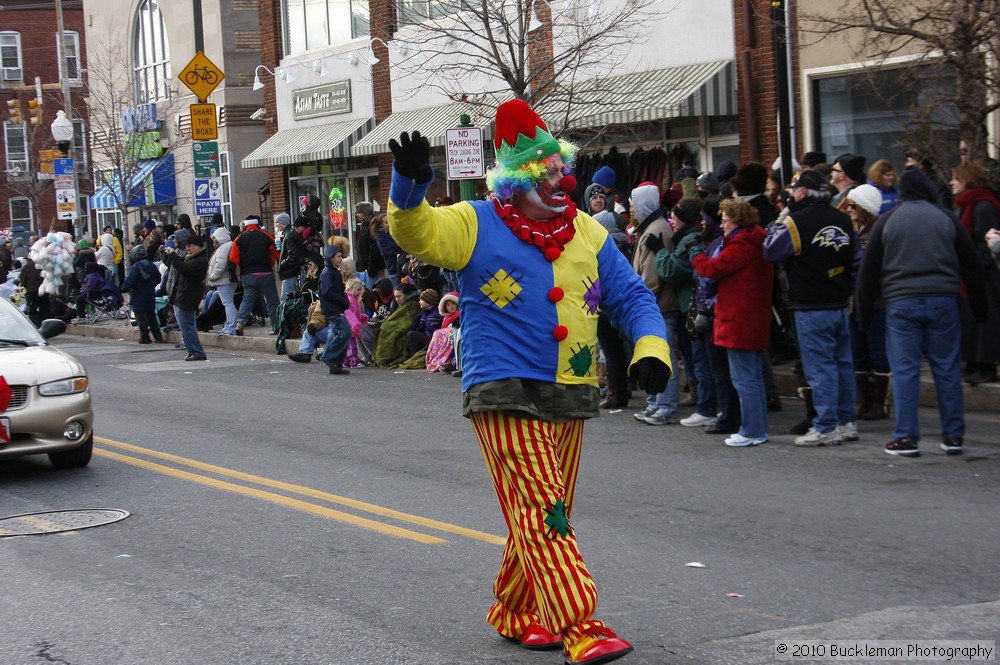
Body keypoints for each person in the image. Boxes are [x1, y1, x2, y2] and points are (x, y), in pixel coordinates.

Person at [387, 98, 670, 665]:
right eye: (542, 174)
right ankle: (579, 622)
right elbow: (417, 234)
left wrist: (650, 347)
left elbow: (633, 296)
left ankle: (513, 610)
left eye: (558, 170)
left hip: (571, 386)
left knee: (541, 506)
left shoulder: (587, 232)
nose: (558, 181)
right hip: (502, 388)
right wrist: (408, 186)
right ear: (515, 180)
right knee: (545, 506)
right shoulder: (475, 222)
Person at [857, 167, 987, 457]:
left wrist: (863, 316)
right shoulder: (945, 218)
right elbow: (971, 266)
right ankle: (953, 436)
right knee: (947, 369)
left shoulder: (888, 221)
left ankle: (905, 438)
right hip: (943, 300)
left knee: (905, 371)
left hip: (901, 303)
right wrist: (979, 310)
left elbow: (868, 274)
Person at [763, 170, 860, 446]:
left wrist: (782, 218)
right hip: (840, 302)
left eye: (794, 190)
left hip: (810, 305)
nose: (791, 194)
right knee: (842, 364)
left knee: (820, 368)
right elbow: (856, 261)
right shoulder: (842, 218)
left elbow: (770, 250)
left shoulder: (796, 222)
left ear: (803, 192)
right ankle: (846, 421)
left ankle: (826, 425)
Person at [691, 198, 773, 447]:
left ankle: (752, 430)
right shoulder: (753, 239)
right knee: (752, 378)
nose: (722, 225)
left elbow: (713, 268)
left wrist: (696, 255)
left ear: (737, 221)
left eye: (725, 221)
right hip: (750, 316)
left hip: (739, 318)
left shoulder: (742, 243)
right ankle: (756, 427)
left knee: (744, 378)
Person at [649, 197, 717, 428]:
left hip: (694, 305)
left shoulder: (691, 239)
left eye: (675, 217)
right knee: (691, 357)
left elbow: (673, 269)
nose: (672, 221)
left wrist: (660, 252)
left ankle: (707, 406)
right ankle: (700, 397)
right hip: (687, 306)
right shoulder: (687, 236)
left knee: (700, 359)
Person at [630, 181, 681, 426]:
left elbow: (651, 277)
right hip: (656, 306)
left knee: (662, 357)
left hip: (660, 307)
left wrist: (638, 301)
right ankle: (655, 402)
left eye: (633, 203)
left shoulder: (656, 230)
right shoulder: (649, 228)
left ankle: (665, 405)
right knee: (652, 354)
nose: (631, 208)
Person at [949, 162, 1000, 385]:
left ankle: (984, 364)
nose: (951, 182)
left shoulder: (982, 205)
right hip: (969, 272)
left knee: (983, 320)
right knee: (971, 320)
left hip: (982, 274)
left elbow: (983, 242)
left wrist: (973, 266)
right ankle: (973, 362)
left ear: (968, 180)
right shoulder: (964, 205)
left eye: (956, 179)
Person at [845, 184, 891, 420]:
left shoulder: (877, 232)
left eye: (853, 205)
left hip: (876, 302)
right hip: (855, 300)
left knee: (878, 351)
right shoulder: (855, 231)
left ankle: (880, 403)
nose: (849, 209)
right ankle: (864, 400)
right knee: (858, 352)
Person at [287, 245, 352, 375]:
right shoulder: (328, 272)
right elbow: (327, 292)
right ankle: (329, 357)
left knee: (335, 334)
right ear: (330, 257)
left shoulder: (333, 271)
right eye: (338, 257)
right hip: (333, 309)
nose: (340, 259)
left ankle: (335, 364)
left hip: (335, 308)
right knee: (345, 333)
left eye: (341, 256)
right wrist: (343, 300)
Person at [229, 215, 280, 336]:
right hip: (266, 273)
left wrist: (233, 274)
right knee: (272, 300)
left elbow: (233, 258)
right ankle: (276, 326)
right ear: (258, 224)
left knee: (247, 300)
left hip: (248, 275)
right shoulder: (267, 236)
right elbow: (277, 253)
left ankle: (240, 324)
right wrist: (273, 263)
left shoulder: (240, 238)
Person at [162, 233, 209, 361]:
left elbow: (183, 268)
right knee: (184, 327)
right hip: (181, 295)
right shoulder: (190, 257)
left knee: (188, 327)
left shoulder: (200, 260)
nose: (188, 248)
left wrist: (173, 255)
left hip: (188, 297)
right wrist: (170, 255)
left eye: (191, 246)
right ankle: (191, 350)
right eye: (187, 246)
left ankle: (197, 352)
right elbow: (177, 263)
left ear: (199, 246)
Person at [122, 244, 165, 344]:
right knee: (152, 317)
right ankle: (158, 337)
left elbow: (128, 283)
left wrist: (126, 289)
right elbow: (158, 279)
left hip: (138, 295)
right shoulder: (152, 265)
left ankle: (145, 337)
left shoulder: (136, 267)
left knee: (141, 318)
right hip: (150, 294)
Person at [206, 226, 238, 336]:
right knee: (228, 303)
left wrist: (212, 276)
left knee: (228, 303)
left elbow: (220, 265)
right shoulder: (228, 245)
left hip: (223, 280)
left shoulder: (224, 248)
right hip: (227, 279)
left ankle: (231, 326)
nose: (214, 240)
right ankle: (229, 325)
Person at [425, 291, 460, 373]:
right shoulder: (446, 318)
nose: (451, 307)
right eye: (448, 305)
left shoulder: (460, 315)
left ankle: (448, 361)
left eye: (453, 304)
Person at [275, 212, 305, 301]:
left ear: (282, 223)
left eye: (277, 223)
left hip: (290, 272)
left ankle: (285, 314)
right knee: (289, 297)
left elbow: (293, 255)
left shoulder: (289, 235)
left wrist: (282, 265)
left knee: (285, 299)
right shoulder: (290, 233)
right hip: (292, 271)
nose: (276, 225)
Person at [406, 288, 443, 356]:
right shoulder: (423, 313)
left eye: (421, 300)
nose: (419, 302)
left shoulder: (435, 315)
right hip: (427, 338)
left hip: (432, 340)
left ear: (428, 302)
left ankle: (416, 356)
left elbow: (432, 332)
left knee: (411, 335)